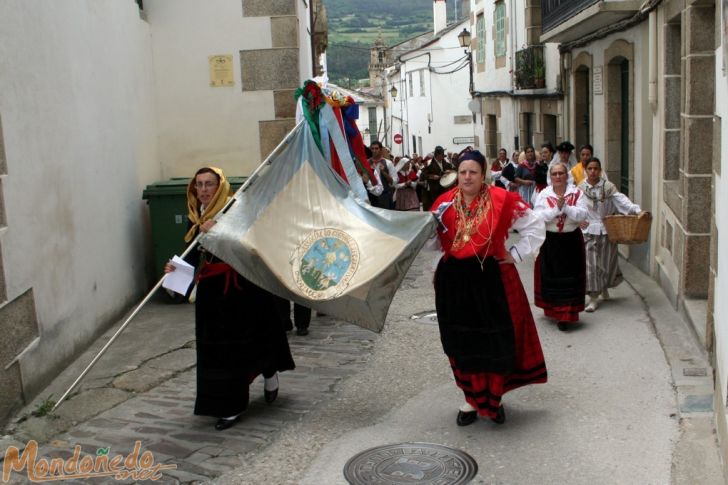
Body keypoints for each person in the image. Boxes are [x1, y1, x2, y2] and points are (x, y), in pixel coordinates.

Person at [165, 167, 295, 430]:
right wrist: (175, 268)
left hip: (244, 287)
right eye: (198, 184)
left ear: (219, 186)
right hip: (212, 291)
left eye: (209, 184)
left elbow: (249, 245)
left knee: (253, 338)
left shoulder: (235, 210)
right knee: (217, 349)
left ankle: (267, 376)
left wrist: (220, 231)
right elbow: (193, 252)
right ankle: (225, 404)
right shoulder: (197, 215)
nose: (203, 190)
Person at [431, 150, 547, 426]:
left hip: (492, 279)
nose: (467, 177)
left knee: (494, 341)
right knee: (462, 341)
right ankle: (471, 398)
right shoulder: (443, 204)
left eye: (473, 171)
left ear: (484, 174)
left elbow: (536, 225)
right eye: (462, 172)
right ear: (456, 175)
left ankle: (495, 397)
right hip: (456, 283)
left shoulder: (501, 200)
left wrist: (516, 254)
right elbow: (433, 244)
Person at [578, 158, 641, 312]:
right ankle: (593, 298)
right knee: (591, 265)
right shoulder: (580, 188)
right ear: (586, 170)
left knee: (606, 264)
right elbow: (575, 207)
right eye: (590, 168)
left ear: (600, 170)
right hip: (588, 232)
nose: (593, 172)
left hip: (606, 230)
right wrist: (578, 220)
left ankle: (603, 287)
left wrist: (637, 210)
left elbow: (622, 201)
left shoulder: (608, 187)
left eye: (596, 169)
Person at [533, 162, 589, 331]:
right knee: (552, 276)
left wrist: (566, 207)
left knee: (571, 277)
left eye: (561, 173)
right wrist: (556, 209)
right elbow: (537, 216)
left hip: (571, 240)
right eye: (555, 174)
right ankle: (556, 311)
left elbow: (583, 213)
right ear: (550, 177)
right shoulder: (544, 194)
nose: (558, 176)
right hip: (551, 241)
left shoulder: (577, 193)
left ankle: (567, 314)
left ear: (567, 175)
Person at [420, 145, 455, 211]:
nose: (442, 157)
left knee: (444, 206)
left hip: (444, 188)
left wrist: (449, 171)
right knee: (436, 207)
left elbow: (452, 168)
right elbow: (423, 175)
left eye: (443, 155)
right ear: (437, 155)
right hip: (433, 189)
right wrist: (432, 176)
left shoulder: (444, 162)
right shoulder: (429, 163)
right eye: (441, 155)